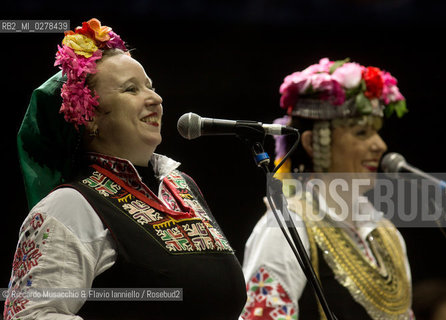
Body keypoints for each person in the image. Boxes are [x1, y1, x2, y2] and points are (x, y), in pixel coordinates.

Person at [4, 18, 246, 320]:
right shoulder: (68, 207)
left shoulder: (181, 186)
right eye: (131, 90)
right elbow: (30, 315)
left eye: (151, 87)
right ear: (90, 115)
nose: (155, 99)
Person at [241, 58, 412, 319]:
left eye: (376, 133)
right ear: (312, 142)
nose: (380, 145)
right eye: (361, 133)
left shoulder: (387, 233)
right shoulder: (286, 230)